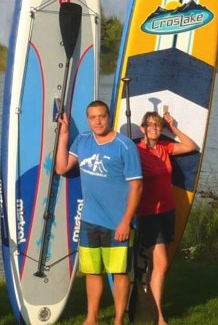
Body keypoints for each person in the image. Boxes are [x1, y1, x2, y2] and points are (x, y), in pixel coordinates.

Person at [55, 100, 143, 325]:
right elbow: (62, 167)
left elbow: (137, 187)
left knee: (119, 272)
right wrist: (64, 134)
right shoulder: (82, 141)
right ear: (88, 119)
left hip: (118, 223)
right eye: (93, 117)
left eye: (101, 116)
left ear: (109, 116)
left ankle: (118, 319)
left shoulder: (125, 146)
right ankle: (91, 317)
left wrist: (125, 222)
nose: (97, 121)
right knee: (93, 272)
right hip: (89, 221)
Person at [134, 111, 198, 325]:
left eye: (157, 125)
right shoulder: (136, 151)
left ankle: (151, 310)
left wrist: (173, 128)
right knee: (160, 265)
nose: (154, 128)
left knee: (158, 266)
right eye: (150, 125)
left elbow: (191, 146)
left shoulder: (164, 147)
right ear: (142, 128)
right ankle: (159, 316)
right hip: (148, 214)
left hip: (167, 212)